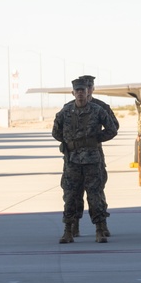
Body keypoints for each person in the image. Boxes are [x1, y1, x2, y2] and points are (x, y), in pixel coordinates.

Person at [52, 78, 119, 243]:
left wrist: (95, 139)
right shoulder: (65, 111)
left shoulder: (97, 110)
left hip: (92, 159)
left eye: (84, 90)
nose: (81, 93)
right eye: (78, 90)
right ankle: (68, 229)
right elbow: (56, 131)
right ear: (73, 92)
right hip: (72, 161)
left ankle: (100, 229)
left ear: (89, 91)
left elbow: (112, 129)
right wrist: (70, 143)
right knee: (71, 195)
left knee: (95, 195)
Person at [70, 75, 119, 238]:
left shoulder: (100, 107)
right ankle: (73, 225)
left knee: (96, 191)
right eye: (85, 87)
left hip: (94, 155)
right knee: (73, 193)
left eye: (90, 86)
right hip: (73, 157)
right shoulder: (69, 108)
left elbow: (114, 126)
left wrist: (97, 138)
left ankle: (101, 225)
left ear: (93, 88)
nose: (88, 89)